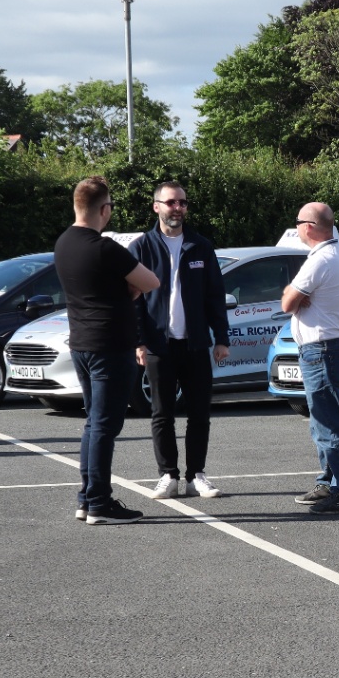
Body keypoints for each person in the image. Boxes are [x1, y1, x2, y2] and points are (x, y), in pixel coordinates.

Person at [54, 176, 159, 525]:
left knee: (93, 423)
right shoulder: (106, 248)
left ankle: (87, 498)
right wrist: (126, 292)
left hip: (81, 343)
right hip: (110, 345)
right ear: (105, 209)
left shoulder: (64, 243)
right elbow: (150, 282)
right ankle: (99, 500)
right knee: (104, 426)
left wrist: (119, 290)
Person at [130, 182, 229, 499]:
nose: (178, 208)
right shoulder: (142, 247)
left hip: (196, 344)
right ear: (156, 206)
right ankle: (167, 476)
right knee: (162, 414)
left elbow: (215, 296)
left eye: (183, 203)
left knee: (200, 413)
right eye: (171, 202)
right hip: (159, 346)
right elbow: (133, 301)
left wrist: (221, 338)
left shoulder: (200, 246)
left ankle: (195, 476)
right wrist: (139, 341)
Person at [282, 203, 339, 514]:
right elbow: (295, 300)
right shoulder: (335, 255)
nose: (297, 227)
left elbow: (288, 302)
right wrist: (299, 297)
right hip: (328, 349)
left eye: (299, 222)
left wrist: (295, 294)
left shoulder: (321, 260)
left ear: (310, 226)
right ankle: (328, 482)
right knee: (322, 421)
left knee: (329, 422)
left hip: (323, 350)